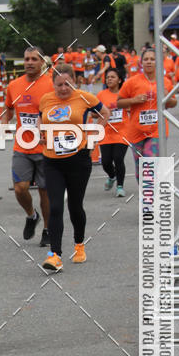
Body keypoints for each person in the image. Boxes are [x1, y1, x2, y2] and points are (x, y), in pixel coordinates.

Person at [38, 63, 110, 271]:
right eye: (59, 84)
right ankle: (55, 255)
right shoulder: (46, 100)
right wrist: (40, 133)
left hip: (78, 160)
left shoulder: (84, 97)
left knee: (75, 206)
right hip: (52, 160)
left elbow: (105, 113)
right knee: (56, 207)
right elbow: (39, 118)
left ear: (74, 82)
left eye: (67, 83)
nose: (63, 88)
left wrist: (94, 135)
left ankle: (79, 245)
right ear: (53, 84)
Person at [1, 46, 53, 247]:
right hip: (22, 146)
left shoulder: (50, 85)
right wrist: (5, 124)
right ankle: (31, 216)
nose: (30, 62)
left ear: (42, 63)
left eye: (34, 59)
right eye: (27, 59)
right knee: (20, 188)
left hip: (45, 147)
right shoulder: (14, 86)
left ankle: (48, 229)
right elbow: (8, 109)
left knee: (44, 191)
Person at [117, 48, 177, 182]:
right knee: (140, 170)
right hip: (136, 131)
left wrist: (167, 98)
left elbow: (173, 103)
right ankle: (146, 198)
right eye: (146, 59)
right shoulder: (132, 82)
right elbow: (119, 102)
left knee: (149, 164)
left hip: (156, 130)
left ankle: (153, 196)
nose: (149, 62)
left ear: (157, 62)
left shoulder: (165, 82)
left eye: (152, 59)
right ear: (141, 63)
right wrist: (134, 100)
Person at [97, 67, 128, 197]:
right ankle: (112, 176)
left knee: (118, 158)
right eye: (108, 77)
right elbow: (95, 112)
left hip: (123, 131)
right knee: (105, 162)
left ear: (119, 80)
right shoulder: (101, 95)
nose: (109, 79)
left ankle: (120, 186)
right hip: (106, 132)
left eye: (112, 77)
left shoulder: (125, 94)